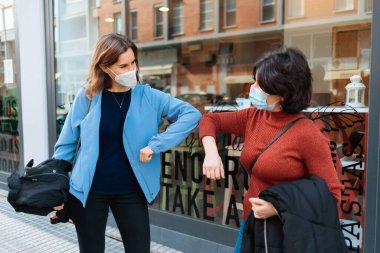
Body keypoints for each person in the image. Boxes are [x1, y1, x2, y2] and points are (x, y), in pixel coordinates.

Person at [52, 33, 201, 253]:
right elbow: (66, 146)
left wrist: (156, 144)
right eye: (123, 66)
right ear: (104, 67)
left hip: (130, 191)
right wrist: (57, 189)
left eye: (133, 62)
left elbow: (191, 114)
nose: (131, 69)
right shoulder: (88, 96)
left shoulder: (148, 96)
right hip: (88, 191)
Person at [199, 47, 344, 252]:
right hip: (250, 224)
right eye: (255, 80)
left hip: (287, 234)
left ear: (283, 94)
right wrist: (212, 152)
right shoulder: (253, 117)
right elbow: (210, 119)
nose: (253, 87)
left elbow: (331, 196)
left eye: (260, 84)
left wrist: (278, 208)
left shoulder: (307, 133)